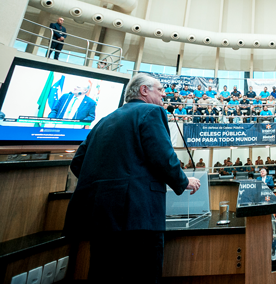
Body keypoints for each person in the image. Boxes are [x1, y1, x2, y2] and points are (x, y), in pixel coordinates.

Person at [63, 74, 201, 284]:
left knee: (102, 275)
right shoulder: (152, 111)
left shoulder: (105, 120)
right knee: (143, 276)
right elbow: (162, 156)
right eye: (160, 89)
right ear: (144, 90)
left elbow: (77, 163)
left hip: (100, 217)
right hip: (139, 213)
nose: (165, 94)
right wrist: (184, 181)